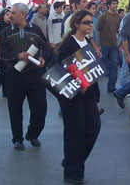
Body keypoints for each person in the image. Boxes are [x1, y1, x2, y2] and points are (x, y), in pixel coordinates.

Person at [0, 3, 52, 151]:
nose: (10, 15)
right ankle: (17, 139)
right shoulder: (6, 32)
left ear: (23, 14)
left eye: (13, 13)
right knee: (15, 109)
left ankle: (33, 134)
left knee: (40, 108)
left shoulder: (35, 30)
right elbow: (1, 53)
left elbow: (45, 46)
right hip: (14, 75)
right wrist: (17, 56)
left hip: (35, 75)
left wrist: (43, 58)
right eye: (9, 13)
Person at [57, 10, 101, 184]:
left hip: (88, 93)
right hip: (72, 95)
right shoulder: (68, 44)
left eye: (91, 22)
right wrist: (78, 84)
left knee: (93, 127)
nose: (90, 25)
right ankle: (72, 172)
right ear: (76, 24)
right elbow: (60, 70)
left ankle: (72, 161)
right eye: (86, 22)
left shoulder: (89, 42)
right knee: (75, 132)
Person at [97, 0, 121, 93]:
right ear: (109, 5)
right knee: (99, 66)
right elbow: (98, 30)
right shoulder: (103, 16)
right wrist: (98, 44)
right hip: (104, 44)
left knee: (114, 65)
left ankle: (111, 86)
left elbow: (120, 30)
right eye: (113, 3)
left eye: (116, 3)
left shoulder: (119, 16)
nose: (115, 5)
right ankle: (93, 87)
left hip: (114, 45)